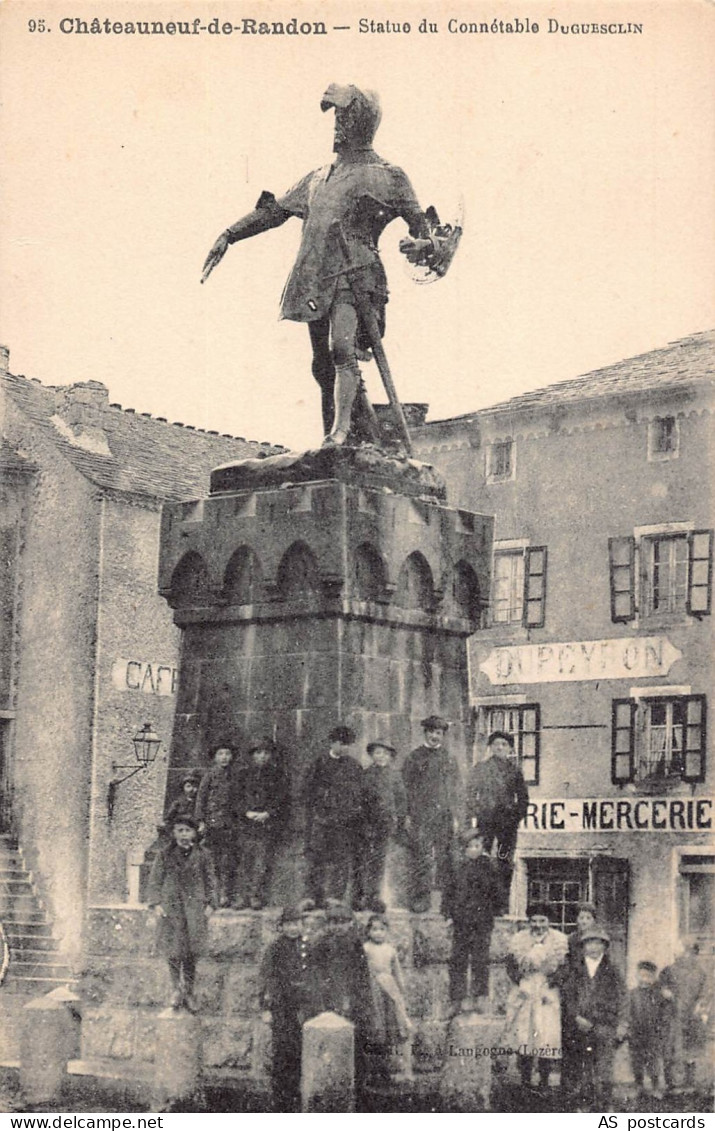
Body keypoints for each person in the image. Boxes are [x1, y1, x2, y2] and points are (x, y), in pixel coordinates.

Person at [201, 84, 452, 444]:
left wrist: (423, 243)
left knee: (342, 349)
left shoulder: (390, 176)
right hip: (316, 278)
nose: (338, 124)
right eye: (336, 116)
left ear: (364, 120)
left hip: (357, 275)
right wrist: (230, 234)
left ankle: (341, 430)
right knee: (323, 367)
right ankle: (352, 437)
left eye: (345, 115)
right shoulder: (317, 177)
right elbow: (274, 213)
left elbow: (431, 234)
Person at [146, 815, 218, 1012]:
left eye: (187, 830)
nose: (184, 834)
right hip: (172, 908)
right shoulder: (164, 855)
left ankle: (189, 990)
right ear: (174, 833)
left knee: (191, 952)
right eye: (180, 830)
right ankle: (176, 989)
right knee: (173, 951)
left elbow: (211, 880)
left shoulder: (203, 855)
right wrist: (156, 904)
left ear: (194, 833)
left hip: (195, 908)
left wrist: (212, 903)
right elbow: (155, 881)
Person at [309, 902, 373, 1097]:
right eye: (333, 922)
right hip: (328, 995)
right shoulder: (322, 942)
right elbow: (315, 969)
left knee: (356, 1040)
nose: (337, 927)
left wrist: (358, 998)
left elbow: (362, 974)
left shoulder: (355, 943)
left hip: (351, 997)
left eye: (342, 922)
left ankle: (358, 1082)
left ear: (350, 923)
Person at [502, 903, 569, 1090]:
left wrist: (554, 982)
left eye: (542, 921)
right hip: (525, 988)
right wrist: (519, 980)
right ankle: (525, 1080)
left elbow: (565, 968)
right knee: (525, 1034)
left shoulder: (559, 940)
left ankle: (545, 1081)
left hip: (548, 989)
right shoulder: (519, 939)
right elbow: (510, 965)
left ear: (549, 922)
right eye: (534, 921)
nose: (538, 925)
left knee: (546, 1034)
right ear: (529, 922)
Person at [562, 924, 628, 1110]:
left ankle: (604, 1107)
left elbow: (623, 997)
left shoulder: (613, 970)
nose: (593, 947)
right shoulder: (575, 969)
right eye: (589, 943)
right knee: (582, 1067)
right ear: (583, 946)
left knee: (604, 1069)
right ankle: (582, 1106)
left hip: (605, 1025)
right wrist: (575, 1017)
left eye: (598, 943)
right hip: (580, 1025)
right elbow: (568, 997)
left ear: (605, 947)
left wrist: (622, 1024)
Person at [402, 716, 462, 914]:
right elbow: (405, 789)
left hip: (443, 816)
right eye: (432, 732)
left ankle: (447, 902)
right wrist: (408, 815)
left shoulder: (449, 758)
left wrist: (455, 816)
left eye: (439, 733)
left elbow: (456, 790)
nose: (435, 736)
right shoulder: (414, 757)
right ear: (425, 733)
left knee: (446, 859)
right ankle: (419, 900)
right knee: (421, 858)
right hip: (421, 816)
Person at [260, 904, 315, 1112]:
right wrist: (266, 1007)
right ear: (281, 927)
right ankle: (281, 1101)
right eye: (289, 924)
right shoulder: (275, 948)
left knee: (301, 1052)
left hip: (302, 1008)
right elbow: (266, 978)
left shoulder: (307, 946)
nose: (293, 928)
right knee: (282, 1052)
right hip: (281, 1007)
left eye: (297, 924)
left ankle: (298, 1099)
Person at [466, 731, 529, 914]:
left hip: (507, 825)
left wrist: (516, 816)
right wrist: (478, 811)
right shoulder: (481, 768)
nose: (500, 747)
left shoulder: (515, 771)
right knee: (481, 858)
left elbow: (523, 798)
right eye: (496, 744)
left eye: (503, 744)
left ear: (509, 748)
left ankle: (500, 904)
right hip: (486, 823)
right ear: (491, 747)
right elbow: (470, 793)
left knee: (504, 861)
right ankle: (479, 901)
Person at [443, 828, 503, 1016]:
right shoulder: (458, 869)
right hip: (461, 921)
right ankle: (456, 1000)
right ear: (464, 850)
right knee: (457, 960)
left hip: (482, 922)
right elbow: (449, 893)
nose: (474, 850)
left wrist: (495, 910)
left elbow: (497, 893)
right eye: (470, 847)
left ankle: (479, 999)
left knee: (480, 960)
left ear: (482, 848)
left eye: (477, 846)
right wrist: (448, 915)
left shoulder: (489, 868)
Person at [302, 726, 364, 906]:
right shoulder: (319, 763)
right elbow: (307, 791)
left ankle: (336, 898)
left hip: (344, 823)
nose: (345, 748)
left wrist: (351, 813)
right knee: (316, 859)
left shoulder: (354, 765)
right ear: (333, 742)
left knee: (341, 860)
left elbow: (359, 793)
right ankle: (313, 897)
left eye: (349, 745)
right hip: (321, 821)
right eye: (342, 744)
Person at [233, 738, 290, 910]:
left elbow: (282, 799)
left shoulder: (278, 775)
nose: (263, 756)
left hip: (266, 825)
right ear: (252, 755)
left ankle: (255, 896)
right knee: (244, 861)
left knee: (261, 861)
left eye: (266, 753)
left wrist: (268, 813)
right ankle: (242, 896)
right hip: (246, 825)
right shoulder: (242, 774)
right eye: (258, 753)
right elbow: (235, 798)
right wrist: (246, 812)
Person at [355, 741, 406, 911]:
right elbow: (359, 800)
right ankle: (360, 895)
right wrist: (363, 822)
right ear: (372, 755)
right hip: (367, 824)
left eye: (385, 753)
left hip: (386, 824)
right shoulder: (366, 775)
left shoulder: (395, 775)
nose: (381, 756)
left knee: (379, 861)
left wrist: (399, 819)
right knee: (363, 859)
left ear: (390, 757)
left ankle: (374, 896)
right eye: (378, 753)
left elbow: (400, 800)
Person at [363, 913, 412, 1078]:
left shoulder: (390, 950)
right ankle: (374, 1070)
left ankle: (398, 1068)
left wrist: (401, 990)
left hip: (389, 988)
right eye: (374, 929)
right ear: (368, 931)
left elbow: (397, 972)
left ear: (387, 931)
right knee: (376, 1024)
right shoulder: (366, 948)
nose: (378, 933)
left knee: (393, 1024)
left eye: (382, 929)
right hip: (373, 987)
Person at [658, 937, 711, 1091]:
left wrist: (700, 1005)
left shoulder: (700, 973)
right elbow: (660, 987)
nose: (683, 955)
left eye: (689, 952)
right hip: (671, 1016)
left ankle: (689, 1083)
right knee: (669, 1049)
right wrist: (663, 991)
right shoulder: (668, 970)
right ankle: (670, 1084)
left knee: (690, 1051)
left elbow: (705, 992)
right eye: (681, 951)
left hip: (691, 1017)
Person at [195, 743, 237, 906]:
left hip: (229, 824)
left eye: (227, 754)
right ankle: (213, 894)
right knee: (211, 860)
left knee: (227, 861)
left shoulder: (235, 775)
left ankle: (225, 894)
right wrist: (200, 821)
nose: (224, 757)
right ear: (215, 757)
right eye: (220, 754)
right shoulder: (209, 775)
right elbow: (201, 798)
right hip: (212, 824)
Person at [628, 960, 668, 1099]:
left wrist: (661, 1030)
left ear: (653, 977)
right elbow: (628, 1013)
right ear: (637, 976)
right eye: (642, 975)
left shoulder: (658, 995)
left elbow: (664, 1014)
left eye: (649, 976)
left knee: (653, 1061)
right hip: (636, 1033)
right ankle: (639, 1085)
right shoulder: (632, 994)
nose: (645, 979)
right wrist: (629, 1029)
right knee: (637, 1062)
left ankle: (656, 1086)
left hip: (653, 1033)